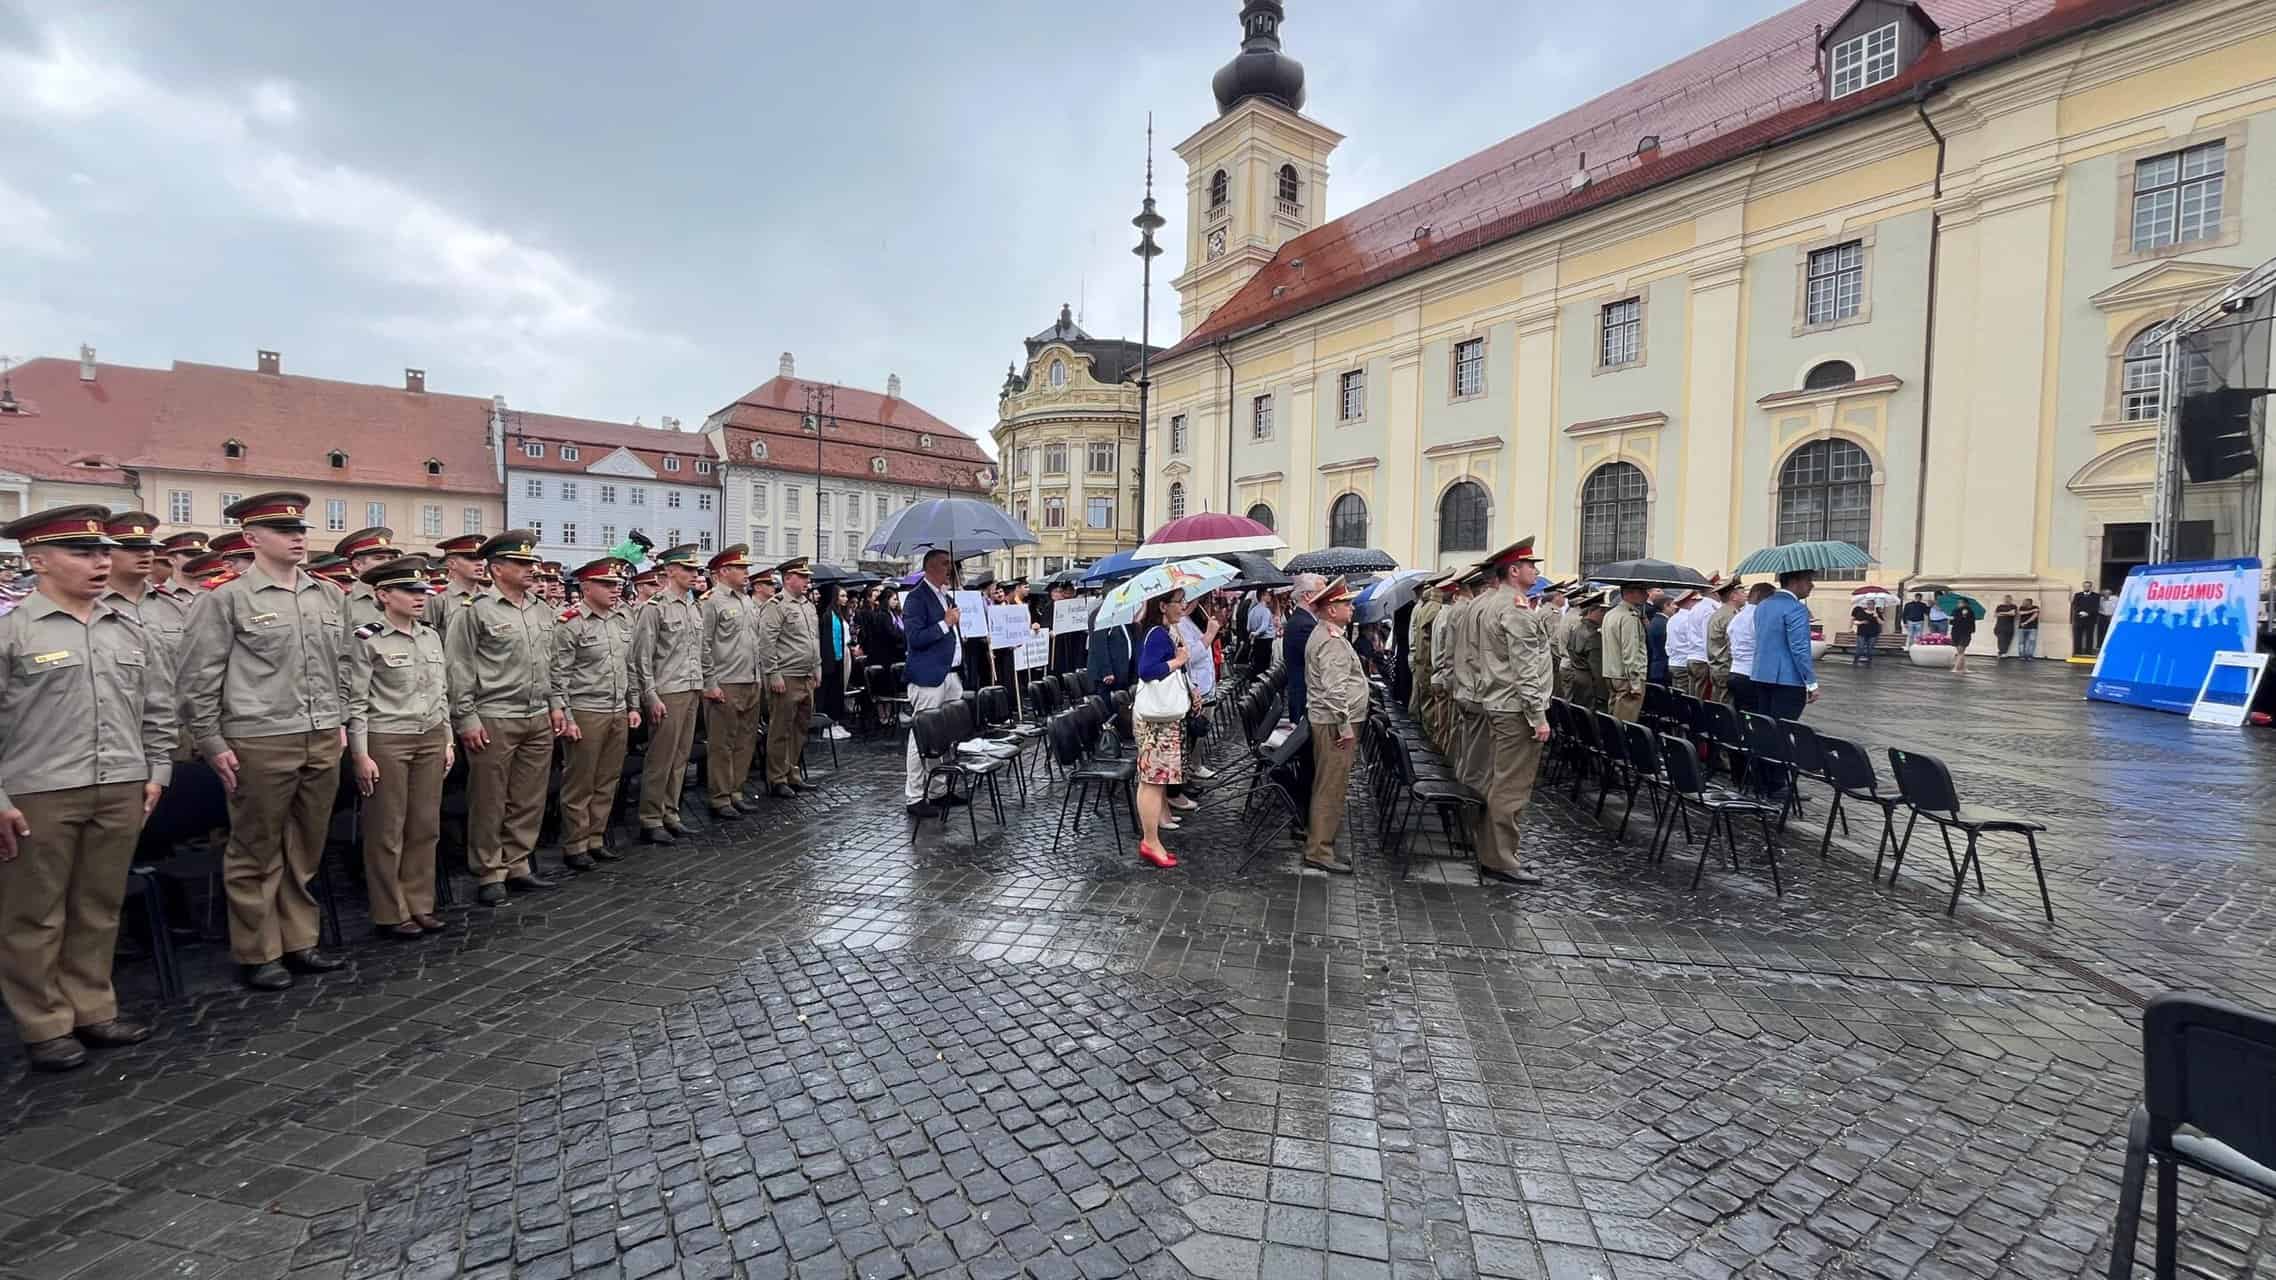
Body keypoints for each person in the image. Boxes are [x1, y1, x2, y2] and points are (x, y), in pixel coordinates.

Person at [0, 506, 172, 1070]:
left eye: (103, 552)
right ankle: (45, 1023)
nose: (101, 562)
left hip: (120, 784)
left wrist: (157, 770)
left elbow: (156, 708)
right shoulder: (12, 629)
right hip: (39, 790)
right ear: (38, 561)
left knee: (99, 904)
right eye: (83, 552)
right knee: (35, 913)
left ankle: (94, 1008)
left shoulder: (128, 627)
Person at [175, 492, 350, 990]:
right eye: (284, 530)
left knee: (306, 845)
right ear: (252, 539)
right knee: (255, 846)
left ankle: (299, 940)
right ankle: (258, 950)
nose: (298, 537)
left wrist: (336, 719)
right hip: (259, 737)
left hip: (318, 735)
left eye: (300, 529)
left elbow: (343, 664)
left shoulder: (327, 594)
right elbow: (198, 677)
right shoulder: (225, 598)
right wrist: (211, 740)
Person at [446, 530, 563, 905]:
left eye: (531, 562)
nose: (532, 569)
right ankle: (489, 871)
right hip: (495, 714)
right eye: (522, 564)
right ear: (496, 569)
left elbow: (553, 663)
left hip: (537, 713)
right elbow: (459, 667)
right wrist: (466, 719)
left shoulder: (541, 609)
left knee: (529, 797)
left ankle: (518, 863)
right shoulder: (475, 610)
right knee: (490, 799)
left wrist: (557, 704)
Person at [344, 556, 452, 938]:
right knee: (387, 829)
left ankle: (420, 903)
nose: (420, 597)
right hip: (387, 738)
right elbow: (356, 701)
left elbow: (441, 693)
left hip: (430, 735)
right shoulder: (368, 638)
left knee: (424, 825)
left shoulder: (430, 635)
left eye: (422, 590)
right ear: (384, 595)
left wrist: (448, 738)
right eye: (410, 590)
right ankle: (391, 911)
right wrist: (360, 754)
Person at [1474, 540, 1553, 887]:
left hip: (1500, 702)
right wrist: (1538, 716)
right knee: (1511, 787)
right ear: (1514, 571)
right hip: (1515, 708)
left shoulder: (1495, 603)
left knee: (1500, 781)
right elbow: (1525, 667)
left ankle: (1497, 852)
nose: (1536, 571)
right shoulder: (1515, 607)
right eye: (1530, 565)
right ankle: (1501, 859)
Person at [553, 558, 639, 869]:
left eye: (616, 584)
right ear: (586, 587)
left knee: (607, 778)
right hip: (586, 709)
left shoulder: (620, 621)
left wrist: (633, 706)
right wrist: (568, 717)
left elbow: (628, 667)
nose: (614, 590)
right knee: (580, 781)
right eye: (606, 584)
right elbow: (559, 675)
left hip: (616, 708)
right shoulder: (570, 622)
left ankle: (595, 838)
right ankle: (575, 844)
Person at [627, 544, 705, 842]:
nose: (693, 574)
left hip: (690, 687)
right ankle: (650, 818)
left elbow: (699, 650)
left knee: (681, 758)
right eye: (687, 568)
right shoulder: (654, 607)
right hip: (667, 690)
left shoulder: (693, 605)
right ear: (670, 571)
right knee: (661, 758)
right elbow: (642, 657)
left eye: (695, 569)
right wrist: (650, 695)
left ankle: (670, 812)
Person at [700, 546, 767, 820]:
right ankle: (719, 796)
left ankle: (736, 791)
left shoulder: (747, 601)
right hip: (725, 681)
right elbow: (703, 644)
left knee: (745, 741)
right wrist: (710, 682)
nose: (746, 573)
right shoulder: (711, 601)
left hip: (750, 679)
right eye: (741, 569)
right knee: (722, 743)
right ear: (724, 572)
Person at [901, 549, 965, 818]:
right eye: (943, 564)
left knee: (945, 735)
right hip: (929, 677)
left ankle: (938, 790)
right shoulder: (916, 599)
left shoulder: (945, 596)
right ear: (929, 568)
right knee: (922, 736)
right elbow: (915, 637)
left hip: (950, 674)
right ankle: (915, 795)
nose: (948, 569)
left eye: (949, 564)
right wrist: (945, 623)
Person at [1132, 591, 1192, 870]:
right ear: (1162, 606)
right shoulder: (1157, 633)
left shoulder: (1165, 631)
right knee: (1152, 780)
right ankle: (1150, 840)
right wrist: (1178, 661)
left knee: (1157, 780)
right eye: (1178, 601)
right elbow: (1147, 670)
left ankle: (1152, 839)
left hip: (1163, 720)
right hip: (1156, 722)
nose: (1183, 605)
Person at [1748, 570, 1818, 794]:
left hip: (1762, 674)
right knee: (1782, 731)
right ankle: (1778, 783)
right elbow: (1800, 648)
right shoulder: (1796, 608)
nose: (1811, 585)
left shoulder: (1763, 605)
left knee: (1765, 729)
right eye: (1808, 580)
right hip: (1787, 679)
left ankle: (1761, 779)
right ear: (1795, 581)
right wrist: (1811, 682)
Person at [758, 558, 821, 797]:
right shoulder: (777, 605)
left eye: (807, 577)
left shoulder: (807, 605)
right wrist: (773, 673)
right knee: (780, 729)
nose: (807, 581)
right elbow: (767, 642)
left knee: (800, 728)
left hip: (805, 675)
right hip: (786, 675)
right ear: (787, 579)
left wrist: (817, 667)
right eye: (802, 577)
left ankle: (792, 771)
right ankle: (776, 777)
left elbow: (813, 640)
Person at [1600, 584, 1650, 721]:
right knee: (1625, 722)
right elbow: (1630, 652)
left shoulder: (1610, 614)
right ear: (1631, 593)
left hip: (1611, 672)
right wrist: (1635, 682)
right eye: (1643, 591)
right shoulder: (1629, 617)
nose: (1647, 595)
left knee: (1613, 719)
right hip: (1627, 676)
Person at [334, 527, 398, 634]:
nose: (388, 563)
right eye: (379, 558)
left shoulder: (402, 597)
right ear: (358, 565)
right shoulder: (342, 601)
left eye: (391, 558)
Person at [425, 533, 489, 636]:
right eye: (472, 558)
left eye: (482, 558)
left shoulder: (490, 596)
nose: (480, 563)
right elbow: (427, 637)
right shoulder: (438, 599)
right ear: (452, 564)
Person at [814, 581, 853, 737]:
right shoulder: (827, 615)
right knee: (828, 693)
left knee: (837, 693)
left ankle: (836, 721)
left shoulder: (838, 614)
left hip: (839, 657)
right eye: (842, 596)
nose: (845, 599)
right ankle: (827, 725)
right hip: (829, 659)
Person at [1727, 583, 1771, 711]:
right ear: (1758, 596)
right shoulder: (1758, 616)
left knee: (1739, 714)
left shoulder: (1738, 616)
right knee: (1753, 717)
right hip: (1750, 674)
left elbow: (1729, 637)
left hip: (1735, 670)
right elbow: (1765, 643)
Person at [1666, 589, 1710, 697]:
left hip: (1675, 661)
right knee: (1686, 699)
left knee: (1678, 697)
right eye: (1697, 600)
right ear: (1690, 601)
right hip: (1684, 662)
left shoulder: (1673, 619)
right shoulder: (1688, 618)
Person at [1705, 581, 1739, 698]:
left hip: (1717, 666)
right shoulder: (1730, 615)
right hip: (1725, 666)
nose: (1745, 595)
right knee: (1725, 706)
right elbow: (1733, 643)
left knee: (1717, 702)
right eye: (1742, 592)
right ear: (1734, 596)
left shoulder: (1719, 613)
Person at [2070, 581, 2100, 656]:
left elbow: (2096, 606)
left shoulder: (2096, 596)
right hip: (2079, 618)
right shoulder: (2077, 595)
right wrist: (2080, 612)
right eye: (2085, 586)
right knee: (2077, 636)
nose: (2086, 587)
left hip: (2090, 619)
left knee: (2090, 636)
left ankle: (2088, 652)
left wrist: (2088, 613)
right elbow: (2075, 605)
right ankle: (2077, 652)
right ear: (2083, 587)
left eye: (2088, 586)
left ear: (2091, 587)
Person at [1850, 598, 1882, 666]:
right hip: (1862, 632)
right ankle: (1856, 659)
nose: (1869, 606)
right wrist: (1862, 622)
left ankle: (1869, 661)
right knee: (1860, 647)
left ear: (1874, 605)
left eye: (1870, 604)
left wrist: (1877, 617)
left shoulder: (1877, 613)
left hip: (1873, 633)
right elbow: (1855, 622)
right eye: (1868, 604)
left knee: (1870, 648)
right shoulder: (1862, 612)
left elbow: (1881, 622)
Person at [1949, 598, 1977, 673]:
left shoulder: (1970, 611)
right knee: (1960, 652)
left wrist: (1965, 616)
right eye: (1958, 602)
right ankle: (1964, 668)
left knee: (1961, 650)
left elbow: (1971, 622)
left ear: (1965, 604)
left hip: (1965, 633)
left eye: (1961, 602)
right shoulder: (1955, 611)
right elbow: (1951, 622)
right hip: (1956, 632)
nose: (1959, 604)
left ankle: (1956, 668)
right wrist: (1952, 619)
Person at [2017, 596, 2041, 660]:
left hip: (2032, 627)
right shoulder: (2022, 607)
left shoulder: (2036, 607)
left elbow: (2034, 616)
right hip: (2021, 628)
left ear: (2029, 603)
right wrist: (2032, 611)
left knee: (2032, 642)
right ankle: (2021, 655)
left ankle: (2029, 655)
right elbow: (2021, 613)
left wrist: (2026, 622)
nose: (2023, 603)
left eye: (2025, 602)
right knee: (2021, 642)